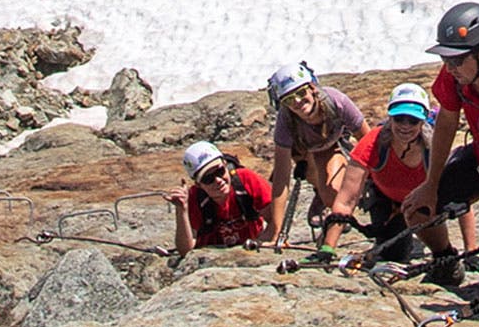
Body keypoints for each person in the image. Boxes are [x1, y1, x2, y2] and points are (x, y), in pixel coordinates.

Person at [406, 1, 479, 270]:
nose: (449, 67)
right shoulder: (455, 78)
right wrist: (431, 185)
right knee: (417, 210)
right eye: (445, 60)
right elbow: (446, 123)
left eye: (456, 60)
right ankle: (447, 262)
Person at [324, 83, 456, 261]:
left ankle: (445, 257)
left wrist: (471, 249)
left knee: (427, 228)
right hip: (386, 200)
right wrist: (327, 248)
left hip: (422, 204)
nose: (405, 126)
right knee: (392, 255)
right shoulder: (373, 143)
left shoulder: (434, 148)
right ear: (390, 118)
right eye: (399, 118)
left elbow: (458, 197)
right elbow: (346, 200)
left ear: (423, 121)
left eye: (413, 120)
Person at [263, 62, 365, 245]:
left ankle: (324, 201)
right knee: (326, 190)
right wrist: (277, 230)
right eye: (288, 100)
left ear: (312, 89)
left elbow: (368, 141)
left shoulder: (337, 102)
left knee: (333, 195)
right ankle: (320, 193)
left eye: (301, 93)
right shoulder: (285, 121)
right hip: (304, 152)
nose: (297, 102)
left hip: (332, 146)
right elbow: (281, 178)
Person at [168, 140, 273, 251]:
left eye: (220, 171)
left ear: (225, 165)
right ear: (198, 184)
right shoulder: (195, 198)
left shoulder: (246, 180)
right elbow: (185, 250)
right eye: (208, 179)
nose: (218, 180)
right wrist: (182, 210)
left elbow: (276, 222)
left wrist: (258, 245)